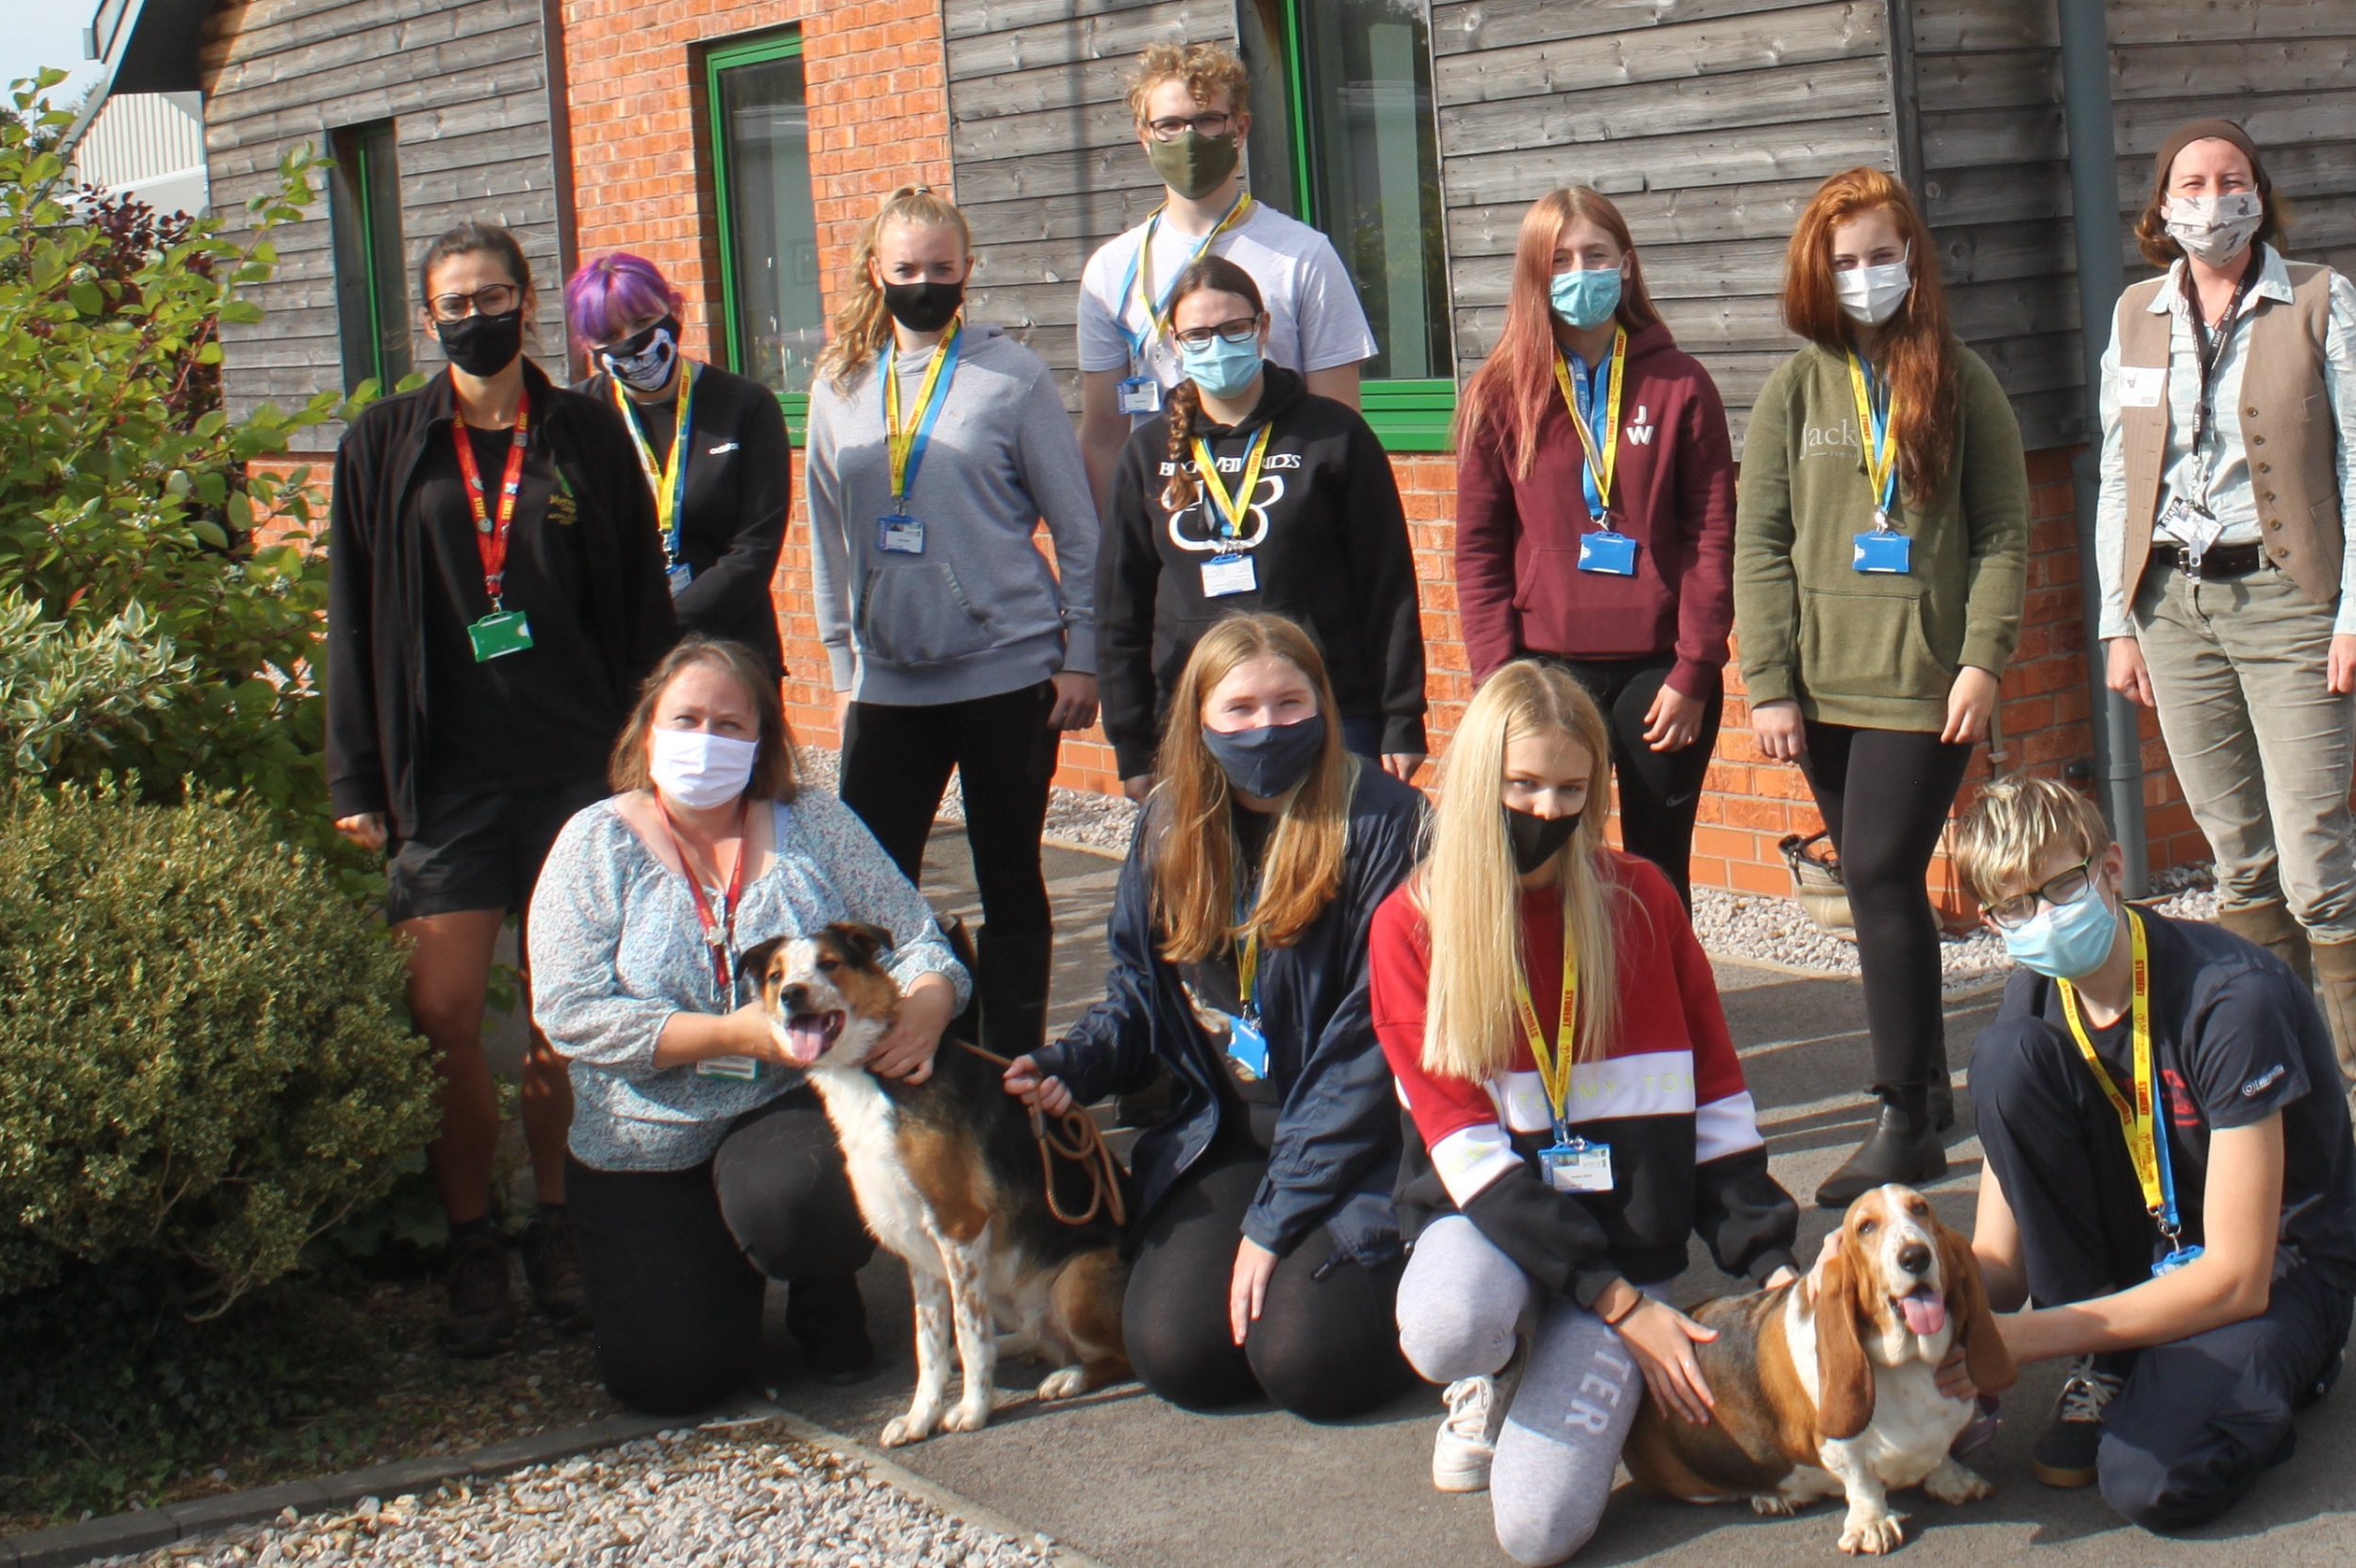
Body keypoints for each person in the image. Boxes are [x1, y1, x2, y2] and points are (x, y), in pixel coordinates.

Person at [323, 220, 680, 1355]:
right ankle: (468, 1235)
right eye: (451, 302)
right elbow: (350, 616)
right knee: (439, 1015)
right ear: (427, 318)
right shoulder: (383, 443)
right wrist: (355, 772)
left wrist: (654, 760)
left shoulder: (581, 433)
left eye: (492, 295)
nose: (472, 315)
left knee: (558, 1018)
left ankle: (556, 1222)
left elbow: (640, 606)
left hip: (578, 770)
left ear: (526, 302)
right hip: (446, 779)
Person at [1378, 661, 1801, 1567]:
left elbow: (1718, 1095)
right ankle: (1494, 1368)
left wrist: (1766, 1260)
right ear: (1477, 779)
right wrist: (1619, 1307)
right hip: (1488, 1234)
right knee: (1450, 1321)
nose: (1544, 810)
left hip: (1618, 1251)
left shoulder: (1641, 898)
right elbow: (1469, 1158)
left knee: (1536, 1533)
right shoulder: (1409, 926)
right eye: (1520, 784)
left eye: (1570, 788)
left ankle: (1559, 1351)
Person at [2092, 117, 2356, 1189]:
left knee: (2315, 869)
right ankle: (2287, 1094)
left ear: (2258, 195)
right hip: (2174, 612)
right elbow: (2116, 476)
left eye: (2232, 178)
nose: (2212, 196)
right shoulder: (2136, 314)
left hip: (2289, 608)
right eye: (2191, 180)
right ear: (2162, 203)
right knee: (2239, 866)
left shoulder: (2320, 300)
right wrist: (2117, 619)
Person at [528, 636, 970, 1408]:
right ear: (647, 730)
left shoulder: (814, 822)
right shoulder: (593, 841)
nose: (705, 739)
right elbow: (568, 1011)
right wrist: (731, 1034)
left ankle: (819, 1277)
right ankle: (710, 1269)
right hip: (640, 1132)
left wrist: (930, 1005)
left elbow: (919, 939)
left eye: (729, 724)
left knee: (797, 1200)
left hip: (786, 1105)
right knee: (671, 1380)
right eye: (686, 718)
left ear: (762, 737)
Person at [1005, 614, 1422, 1419]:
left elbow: (1367, 1049)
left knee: (1309, 1366)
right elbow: (1139, 988)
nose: (1266, 725)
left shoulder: (1385, 822)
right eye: (1239, 708)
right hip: (1228, 1128)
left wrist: (1272, 1222)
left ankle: (1438, 1318)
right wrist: (1072, 1065)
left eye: (1289, 702)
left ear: (1324, 706)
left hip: (1365, 1146)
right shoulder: (1169, 821)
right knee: (1178, 1356)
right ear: (1199, 719)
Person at [1945, 769, 2356, 1534]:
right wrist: (1905, 1295)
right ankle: (2112, 1357)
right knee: (2003, 1057)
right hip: (2153, 1248)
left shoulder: (2230, 999)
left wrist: (2028, 1339)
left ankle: (2273, 1369)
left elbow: (2238, 1277)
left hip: (2275, 1268)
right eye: (2012, 905)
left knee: (2153, 1480)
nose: (2040, 917)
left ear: (2110, 868)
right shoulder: (2036, 998)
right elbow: (2000, 1265)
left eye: (2057, 887)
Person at [1731, 165, 2030, 1205]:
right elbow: (1759, 542)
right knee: (1877, 887)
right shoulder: (1794, 388)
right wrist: (1767, 681)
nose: (1864, 277)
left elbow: (2001, 529)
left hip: (1922, 687)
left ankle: (1905, 1114)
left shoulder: (1958, 378)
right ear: (1819, 270)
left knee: (1875, 878)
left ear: (1913, 260)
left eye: (1880, 256)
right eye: (1843, 260)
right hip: (1818, 695)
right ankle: (1930, 1100)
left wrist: (1983, 658)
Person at [803, 186, 1102, 1053]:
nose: (924, 283)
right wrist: (841, 670)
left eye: (941, 267)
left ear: (967, 269)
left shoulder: (1012, 375)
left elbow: (1076, 530)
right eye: (906, 269)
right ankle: (898, 1042)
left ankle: (1013, 1062)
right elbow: (825, 537)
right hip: (890, 677)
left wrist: (1080, 654)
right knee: (868, 882)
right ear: (875, 271)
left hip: (1007, 670)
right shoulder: (839, 383)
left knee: (1009, 872)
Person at [1450, 185, 1737, 892]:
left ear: (1626, 266)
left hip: (1659, 675)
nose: (1579, 272)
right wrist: (1499, 681)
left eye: (1595, 255)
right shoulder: (1499, 392)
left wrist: (1694, 668)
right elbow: (1479, 549)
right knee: (1544, 870)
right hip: (1547, 672)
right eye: (1560, 260)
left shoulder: (1681, 384)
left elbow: (1710, 536)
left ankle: (1663, 1004)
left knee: (1656, 872)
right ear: (1534, 276)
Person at [1096, 256, 1426, 786]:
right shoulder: (1146, 453)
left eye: (1233, 329)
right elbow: (1120, 608)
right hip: (1195, 724)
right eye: (1198, 335)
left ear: (1263, 327)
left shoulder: (1332, 435)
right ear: (1175, 344)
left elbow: (1387, 588)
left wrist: (1401, 719)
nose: (1217, 346)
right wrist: (1131, 744)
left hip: (1329, 713)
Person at [1073, 40, 1375, 507]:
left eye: (1208, 119)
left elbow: (1339, 424)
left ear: (1241, 127)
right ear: (1144, 136)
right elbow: (1102, 440)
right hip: (1166, 520)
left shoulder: (1304, 255)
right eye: (1169, 125)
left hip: (1282, 513)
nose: (1189, 139)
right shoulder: (1110, 270)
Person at [567, 250, 794, 663]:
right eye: (610, 334)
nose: (630, 343)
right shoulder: (573, 419)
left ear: (674, 309)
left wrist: (658, 629)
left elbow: (754, 552)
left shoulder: (746, 405)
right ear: (588, 346)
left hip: (731, 656)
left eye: (641, 322)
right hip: (619, 665)